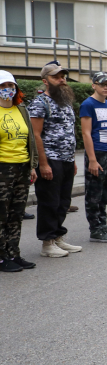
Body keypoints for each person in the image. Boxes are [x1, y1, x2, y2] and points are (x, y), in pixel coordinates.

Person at [27, 62, 81, 257]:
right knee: (49, 201)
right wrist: (43, 164)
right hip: (50, 159)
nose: (62, 80)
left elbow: (69, 133)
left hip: (66, 159)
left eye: (63, 77)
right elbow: (36, 135)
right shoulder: (40, 103)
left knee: (63, 201)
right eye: (57, 77)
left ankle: (58, 237)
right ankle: (47, 243)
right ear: (45, 81)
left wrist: (73, 159)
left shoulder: (65, 102)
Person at [0, 71, 38, 272]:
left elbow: (29, 139)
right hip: (2, 168)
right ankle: (1, 257)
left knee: (16, 214)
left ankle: (14, 253)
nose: (8, 89)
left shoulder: (20, 109)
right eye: (3, 85)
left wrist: (32, 166)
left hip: (22, 167)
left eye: (11, 85)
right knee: (1, 215)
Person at [79, 72, 107, 243]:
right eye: (102, 84)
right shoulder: (88, 104)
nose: (106, 87)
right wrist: (92, 159)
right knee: (94, 193)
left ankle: (103, 225)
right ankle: (95, 229)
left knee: (106, 192)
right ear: (94, 85)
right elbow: (86, 133)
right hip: (98, 152)